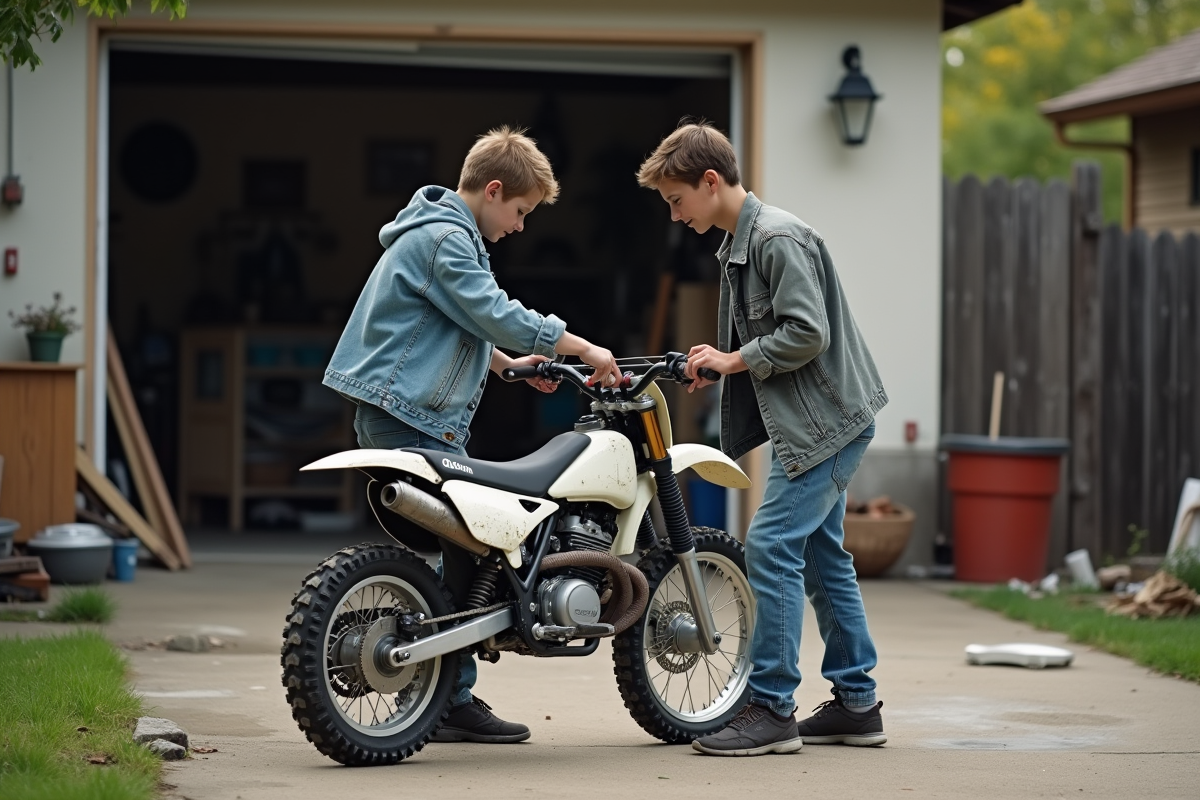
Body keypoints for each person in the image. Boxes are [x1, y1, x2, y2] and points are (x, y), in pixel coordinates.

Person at [324, 126, 622, 744]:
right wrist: (581, 346)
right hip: (409, 414)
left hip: (406, 411)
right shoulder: (445, 238)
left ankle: (443, 693)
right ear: (493, 191)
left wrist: (510, 365)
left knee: (463, 550)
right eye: (520, 211)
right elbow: (489, 310)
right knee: (475, 548)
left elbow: (456, 320)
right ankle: (449, 699)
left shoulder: (438, 233)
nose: (519, 226)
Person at [635, 120, 889, 756]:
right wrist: (720, 362)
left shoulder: (776, 238)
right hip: (813, 423)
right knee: (822, 559)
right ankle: (857, 704)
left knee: (771, 545)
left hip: (827, 424)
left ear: (710, 181)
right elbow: (769, 340)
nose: (675, 215)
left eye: (677, 200)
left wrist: (734, 359)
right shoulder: (739, 246)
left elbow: (807, 333)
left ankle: (772, 708)